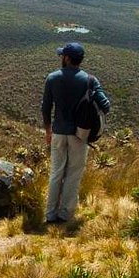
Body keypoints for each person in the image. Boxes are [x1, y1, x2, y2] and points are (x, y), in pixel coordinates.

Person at [41, 41, 110, 224]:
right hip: (80, 134)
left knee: (56, 172)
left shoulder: (52, 78)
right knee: (73, 173)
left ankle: (50, 213)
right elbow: (106, 105)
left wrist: (48, 131)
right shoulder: (90, 80)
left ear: (67, 58)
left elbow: (46, 108)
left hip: (58, 132)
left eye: (62, 55)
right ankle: (65, 214)